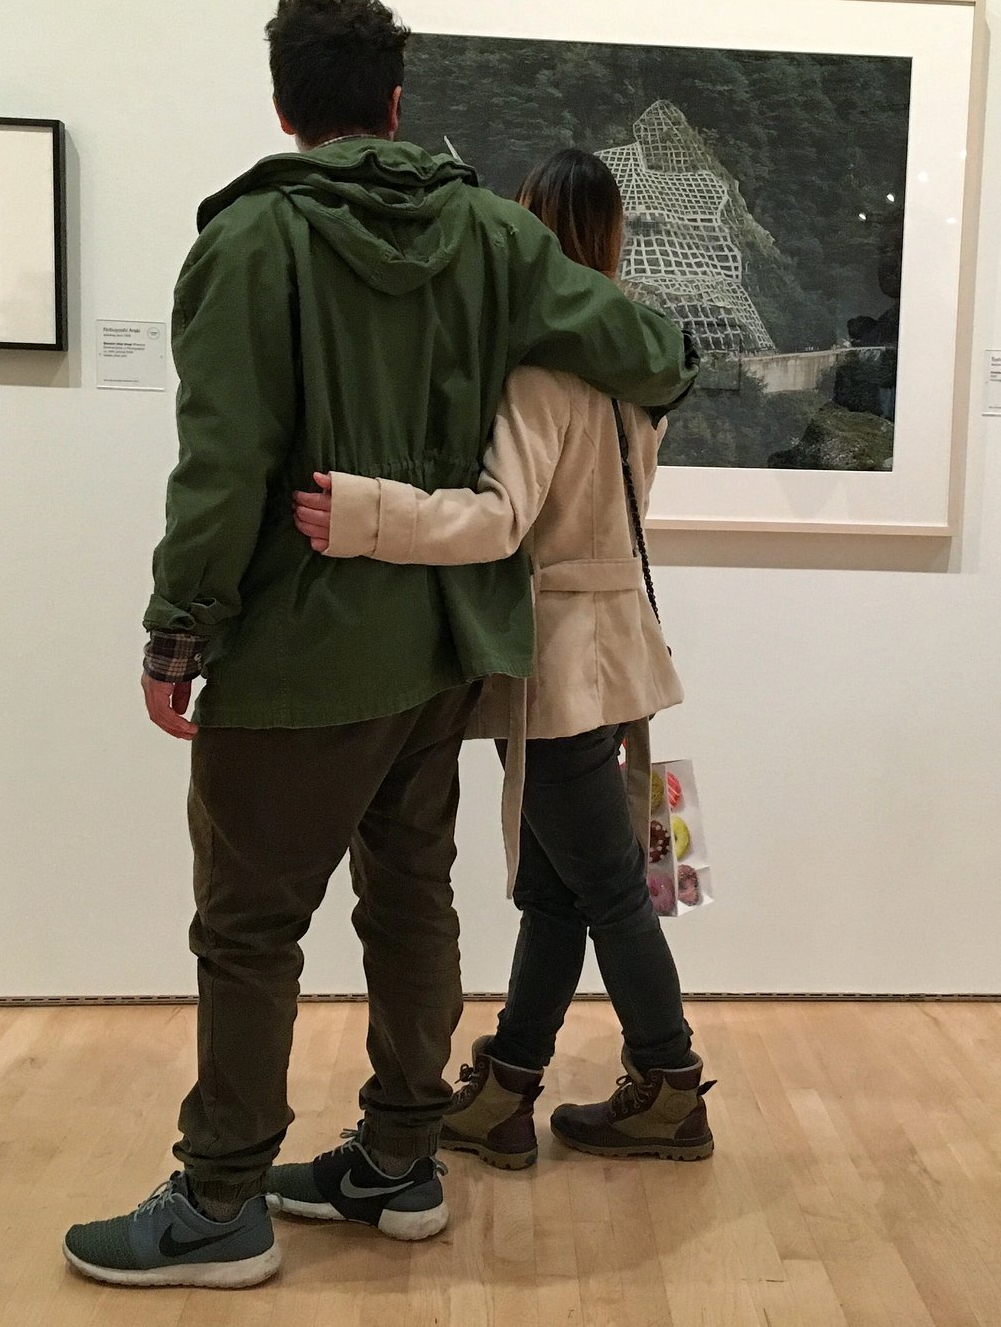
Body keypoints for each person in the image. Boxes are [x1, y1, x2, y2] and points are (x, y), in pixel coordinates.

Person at [62, 0, 694, 1290]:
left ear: (286, 107)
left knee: (249, 925)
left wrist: (180, 631)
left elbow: (224, 464)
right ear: (397, 105)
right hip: (442, 653)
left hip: (299, 656)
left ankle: (221, 1200)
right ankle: (399, 1161)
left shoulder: (251, 242)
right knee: (409, 902)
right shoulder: (489, 238)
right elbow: (651, 348)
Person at [290, 148, 714, 1171]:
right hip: (613, 653)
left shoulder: (539, 371)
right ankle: (511, 1085)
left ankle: (672, 1085)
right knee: (564, 891)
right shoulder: (637, 369)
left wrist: (365, 513)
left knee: (600, 890)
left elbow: (498, 521)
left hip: (558, 665)